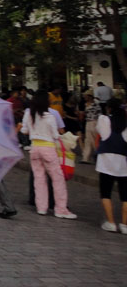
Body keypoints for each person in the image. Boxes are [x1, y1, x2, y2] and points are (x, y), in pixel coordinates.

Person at [20, 89, 76, 219]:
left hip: (34, 148)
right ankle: (61, 209)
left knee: (39, 179)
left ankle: (41, 207)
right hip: (48, 149)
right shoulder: (50, 117)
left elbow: (24, 131)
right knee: (58, 180)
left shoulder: (29, 115)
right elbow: (56, 135)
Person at [96, 98, 127, 233]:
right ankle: (124, 224)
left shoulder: (104, 119)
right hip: (123, 161)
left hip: (106, 160)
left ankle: (111, 222)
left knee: (105, 192)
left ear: (109, 108)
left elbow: (101, 134)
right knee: (125, 195)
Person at [81, 91, 100, 163]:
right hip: (89, 122)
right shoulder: (86, 104)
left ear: (90, 96)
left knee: (93, 140)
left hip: (94, 122)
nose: (84, 97)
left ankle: (97, 154)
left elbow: (98, 114)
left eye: (86, 96)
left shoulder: (95, 104)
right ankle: (85, 158)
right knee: (88, 140)